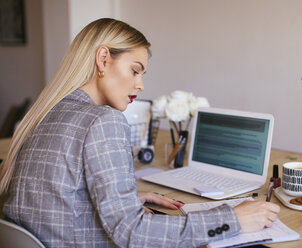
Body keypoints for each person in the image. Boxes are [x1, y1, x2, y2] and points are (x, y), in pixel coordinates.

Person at [0, 18, 280, 247]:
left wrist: (121, 199)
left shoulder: (45, 113)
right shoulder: (103, 120)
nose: (141, 84)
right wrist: (232, 218)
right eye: (135, 71)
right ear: (103, 59)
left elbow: (51, 199)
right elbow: (132, 233)